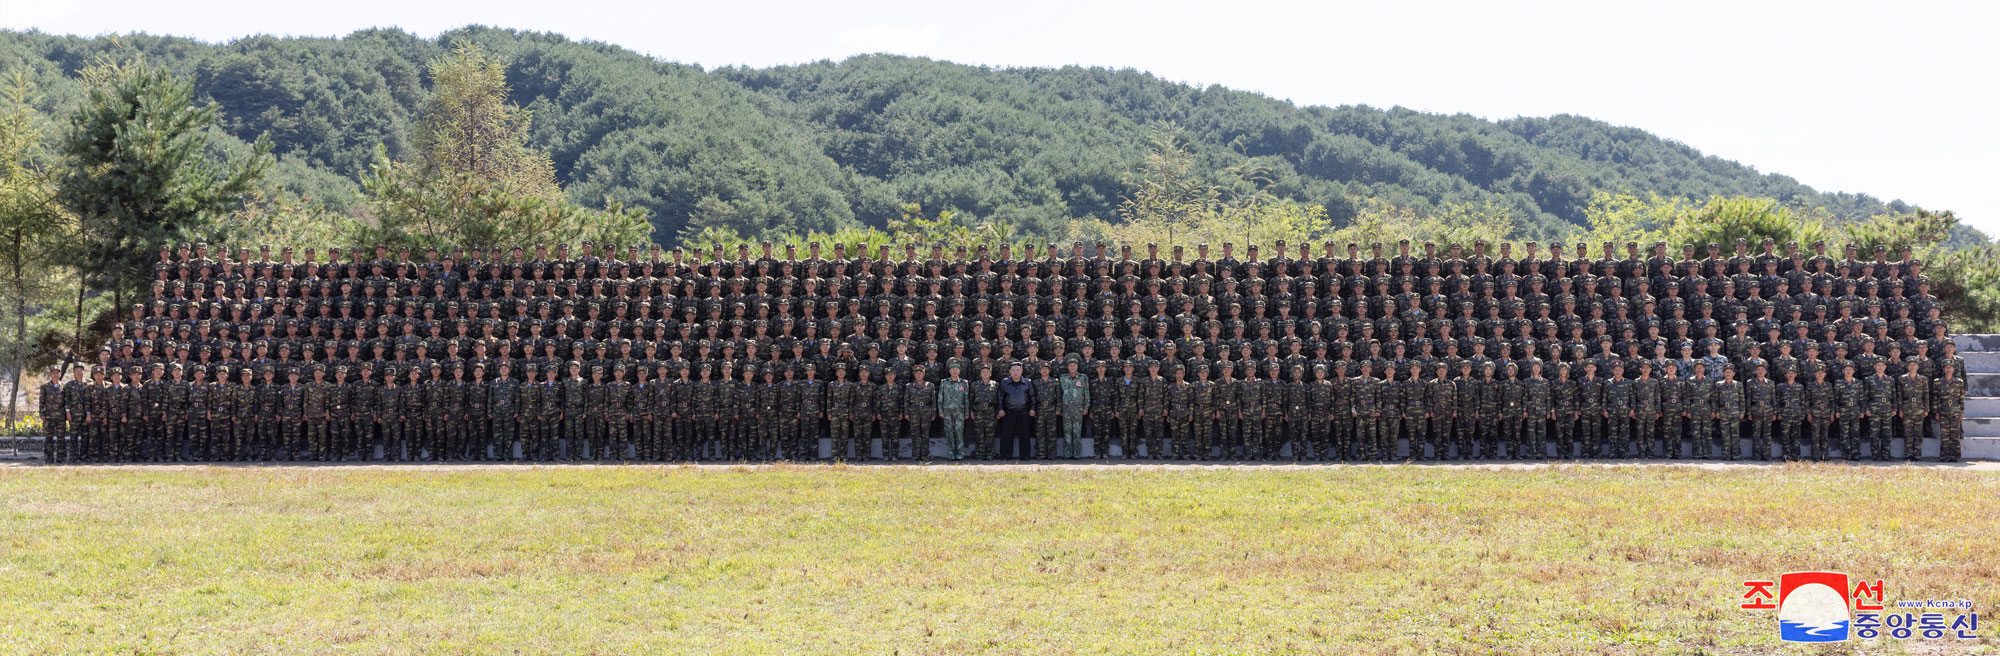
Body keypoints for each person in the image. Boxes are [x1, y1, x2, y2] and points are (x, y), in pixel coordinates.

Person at [997, 361, 1035, 460]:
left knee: (1025, 435)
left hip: (1023, 412)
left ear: (1022, 371)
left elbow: (1032, 398)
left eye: (1018, 370)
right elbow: (1000, 398)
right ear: (1009, 371)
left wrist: (1032, 409)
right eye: (1013, 370)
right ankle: (1006, 455)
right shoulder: (1004, 382)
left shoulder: (1027, 382)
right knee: (1007, 435)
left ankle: (1025, 456)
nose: (1016, 372)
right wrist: (1000, 409)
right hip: (1009, 413)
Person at [1058, 356, 1091, 459]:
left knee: (1077, 432)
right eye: (1070, 365)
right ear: (1067, 367)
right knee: (1067, 432)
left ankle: (1077, 454)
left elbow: (1086, 393)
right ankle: (1067, 453)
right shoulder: (1063, 378)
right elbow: (1059, 394)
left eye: (1074, 365)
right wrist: (1059, 408)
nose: (1072, 367)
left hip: (1078, 409)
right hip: (1066, 409)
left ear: (1077, 366)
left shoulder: (1083, 377)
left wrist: (1086, 407)